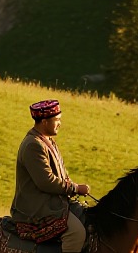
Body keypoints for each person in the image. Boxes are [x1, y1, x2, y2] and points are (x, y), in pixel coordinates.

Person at [10, 99, 90, 252]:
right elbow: (46, 182)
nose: (60, 123)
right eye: (57, 120)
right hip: (38, 208)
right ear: (45, 121)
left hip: (53, 202)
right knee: (76, 233)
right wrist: (76, 188)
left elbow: (61, 176)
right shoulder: (33, 145)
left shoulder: (48, 142)